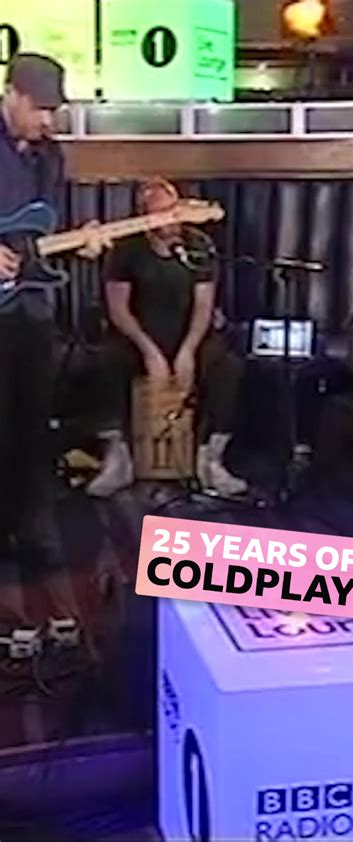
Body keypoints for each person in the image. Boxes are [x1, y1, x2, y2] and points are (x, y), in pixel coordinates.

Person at [0, 53, 107, 632]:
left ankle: (32, 528)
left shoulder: (51, 157)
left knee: (32, 423)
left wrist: (80, 241)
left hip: (33, 309)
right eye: (39, 109)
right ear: (11, 94)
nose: (47, 120)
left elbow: (41, 232)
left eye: (53, 111)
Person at [86, 176, 248, 499]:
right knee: (106, 361)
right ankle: (119, 458)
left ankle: (209, 458)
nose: (170, 220)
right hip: (139, 333)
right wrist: (150, 352)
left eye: (173, 210)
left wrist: (187, 351)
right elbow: (118, 309)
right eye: (159, 212)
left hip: (188, 333)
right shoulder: (127, 249)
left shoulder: (198, 245)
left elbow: (204, 306)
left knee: (227, 367)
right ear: (144, 216)